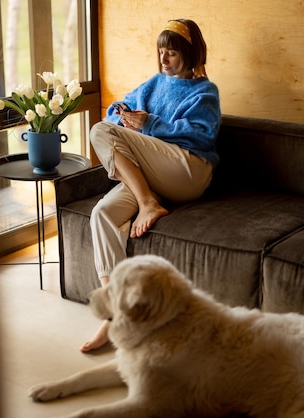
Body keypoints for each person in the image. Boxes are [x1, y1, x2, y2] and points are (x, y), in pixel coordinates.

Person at [80, 19, 221, 352]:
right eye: (161, 52)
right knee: (102, 213)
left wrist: (150, 123)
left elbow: (202, 135)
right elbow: (117, 111)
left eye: (171, 53)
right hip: (154, 172)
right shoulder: (153, 84)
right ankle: (116, 313)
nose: (163, 60)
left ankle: (147, 203)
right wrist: (126, 117)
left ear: (189, 53)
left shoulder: (205, 91)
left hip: (190, 170)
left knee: (99, 132)